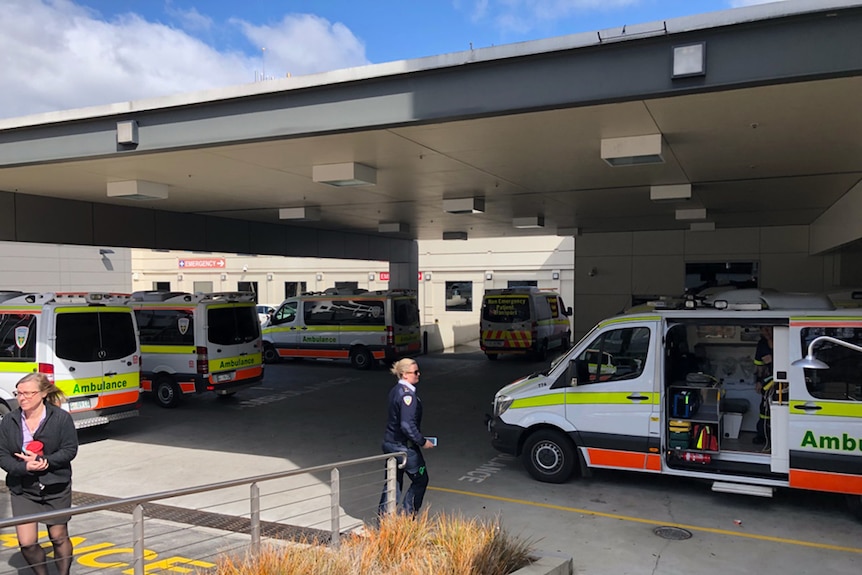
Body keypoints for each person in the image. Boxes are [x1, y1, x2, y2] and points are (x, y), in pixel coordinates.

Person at [0, 373, 78, 575]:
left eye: (28, 393)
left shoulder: (61, 418)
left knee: (58, 536)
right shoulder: (9, 421)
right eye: (19, 393)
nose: (22, 398)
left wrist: (45, 462)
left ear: (43, 393)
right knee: (26, 543)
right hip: (23, 488)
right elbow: (2, 455)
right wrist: (24, 468)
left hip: (56, 486)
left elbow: (70, 450)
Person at [377, 358, 434, 516]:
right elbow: (407, 425)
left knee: (393, 482)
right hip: (404, 447)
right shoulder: (407, 396)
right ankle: (407, 517)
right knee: (421, 479)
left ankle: (384, 520)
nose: (418, 374)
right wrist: (422, 442)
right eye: (415, 372)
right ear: (404, 374)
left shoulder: (395, 390)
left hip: (390, 443)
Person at [753, 326, 774, 445]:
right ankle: (762, 435)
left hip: (784, 383)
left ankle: (776, 436)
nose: (766, 331)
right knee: (764, 408)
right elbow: (760, 367)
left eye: (769, 329)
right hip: (767, 382)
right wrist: (758, 381)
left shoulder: (784, 340)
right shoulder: (762, 344)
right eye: (763, 329)